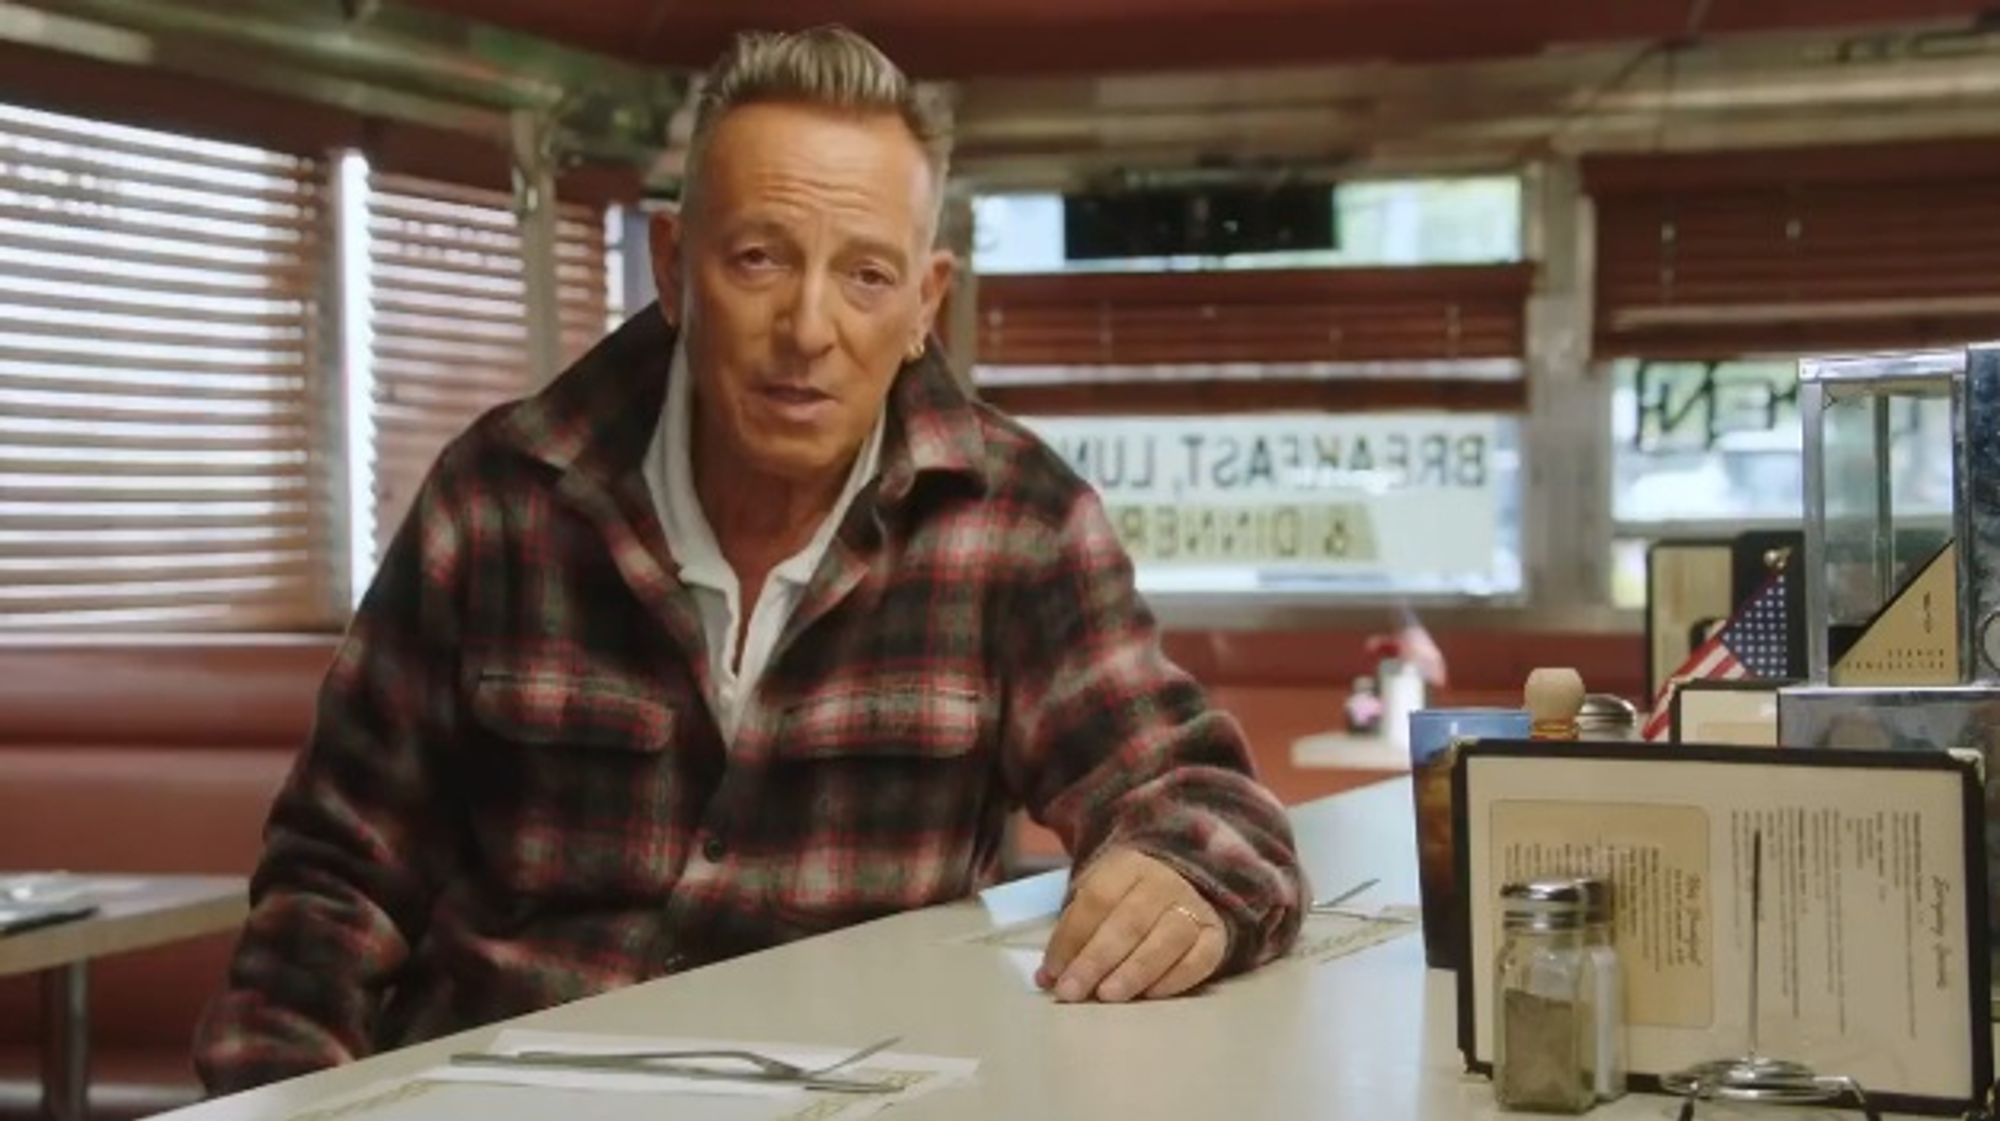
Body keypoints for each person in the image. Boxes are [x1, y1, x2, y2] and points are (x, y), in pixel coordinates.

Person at [194, 24, 1305, 1094]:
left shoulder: (1016, 523)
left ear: (925, 304)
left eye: (866, 276)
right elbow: (335, 878)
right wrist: (279, 1097)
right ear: (674, 268)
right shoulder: (498, 498)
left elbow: (1200, 801)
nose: (807, 326)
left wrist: (1178, 871)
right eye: (759, 258)